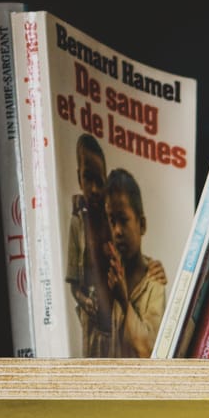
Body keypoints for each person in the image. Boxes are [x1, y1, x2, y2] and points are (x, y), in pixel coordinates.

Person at [102, 167, 168, 357]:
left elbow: (147, 350)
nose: (117, 231)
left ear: (142, 225)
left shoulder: (154, 283)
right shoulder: (107, 272)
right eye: (112, 221)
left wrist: (123, 300)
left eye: (123, 220)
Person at [67, 135, 113, 354]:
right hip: (92, 328)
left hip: (117, 328)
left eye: (100, 181)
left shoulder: (113, 221)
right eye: (88, 178)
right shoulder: (77, 224)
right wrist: (84, 301)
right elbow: (74, 285)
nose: (94, 189)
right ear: (79, 177)